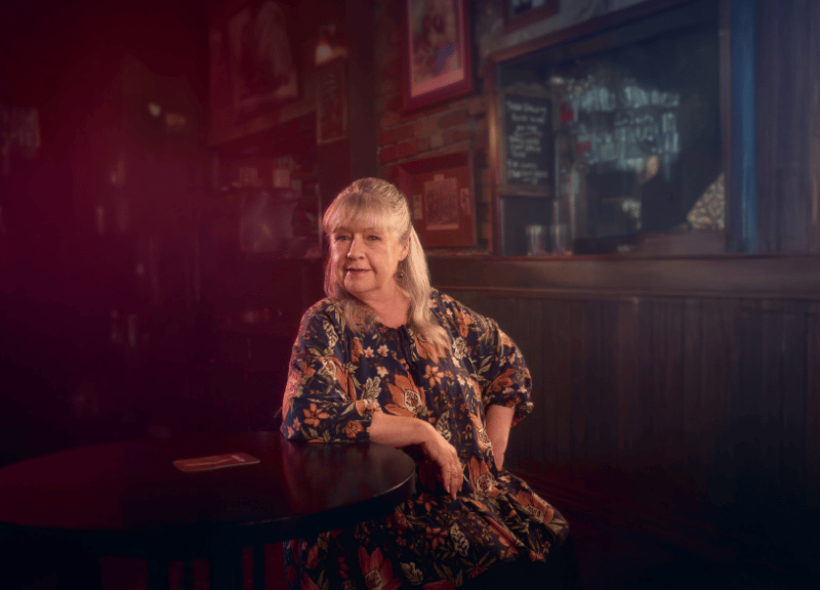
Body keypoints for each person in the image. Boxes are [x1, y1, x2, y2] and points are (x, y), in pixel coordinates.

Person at [280, 178, 580, 589]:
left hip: (467, 495)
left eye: (372, 237)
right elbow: (306, 414)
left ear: (403, 247)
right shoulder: (324, 322)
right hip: (379, 512)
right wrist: (422, 432)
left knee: (553, 539)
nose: (353, 252)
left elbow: (507, 363)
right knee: (493, 570)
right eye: (342, 237)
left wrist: (491, 462)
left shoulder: (441, 312)